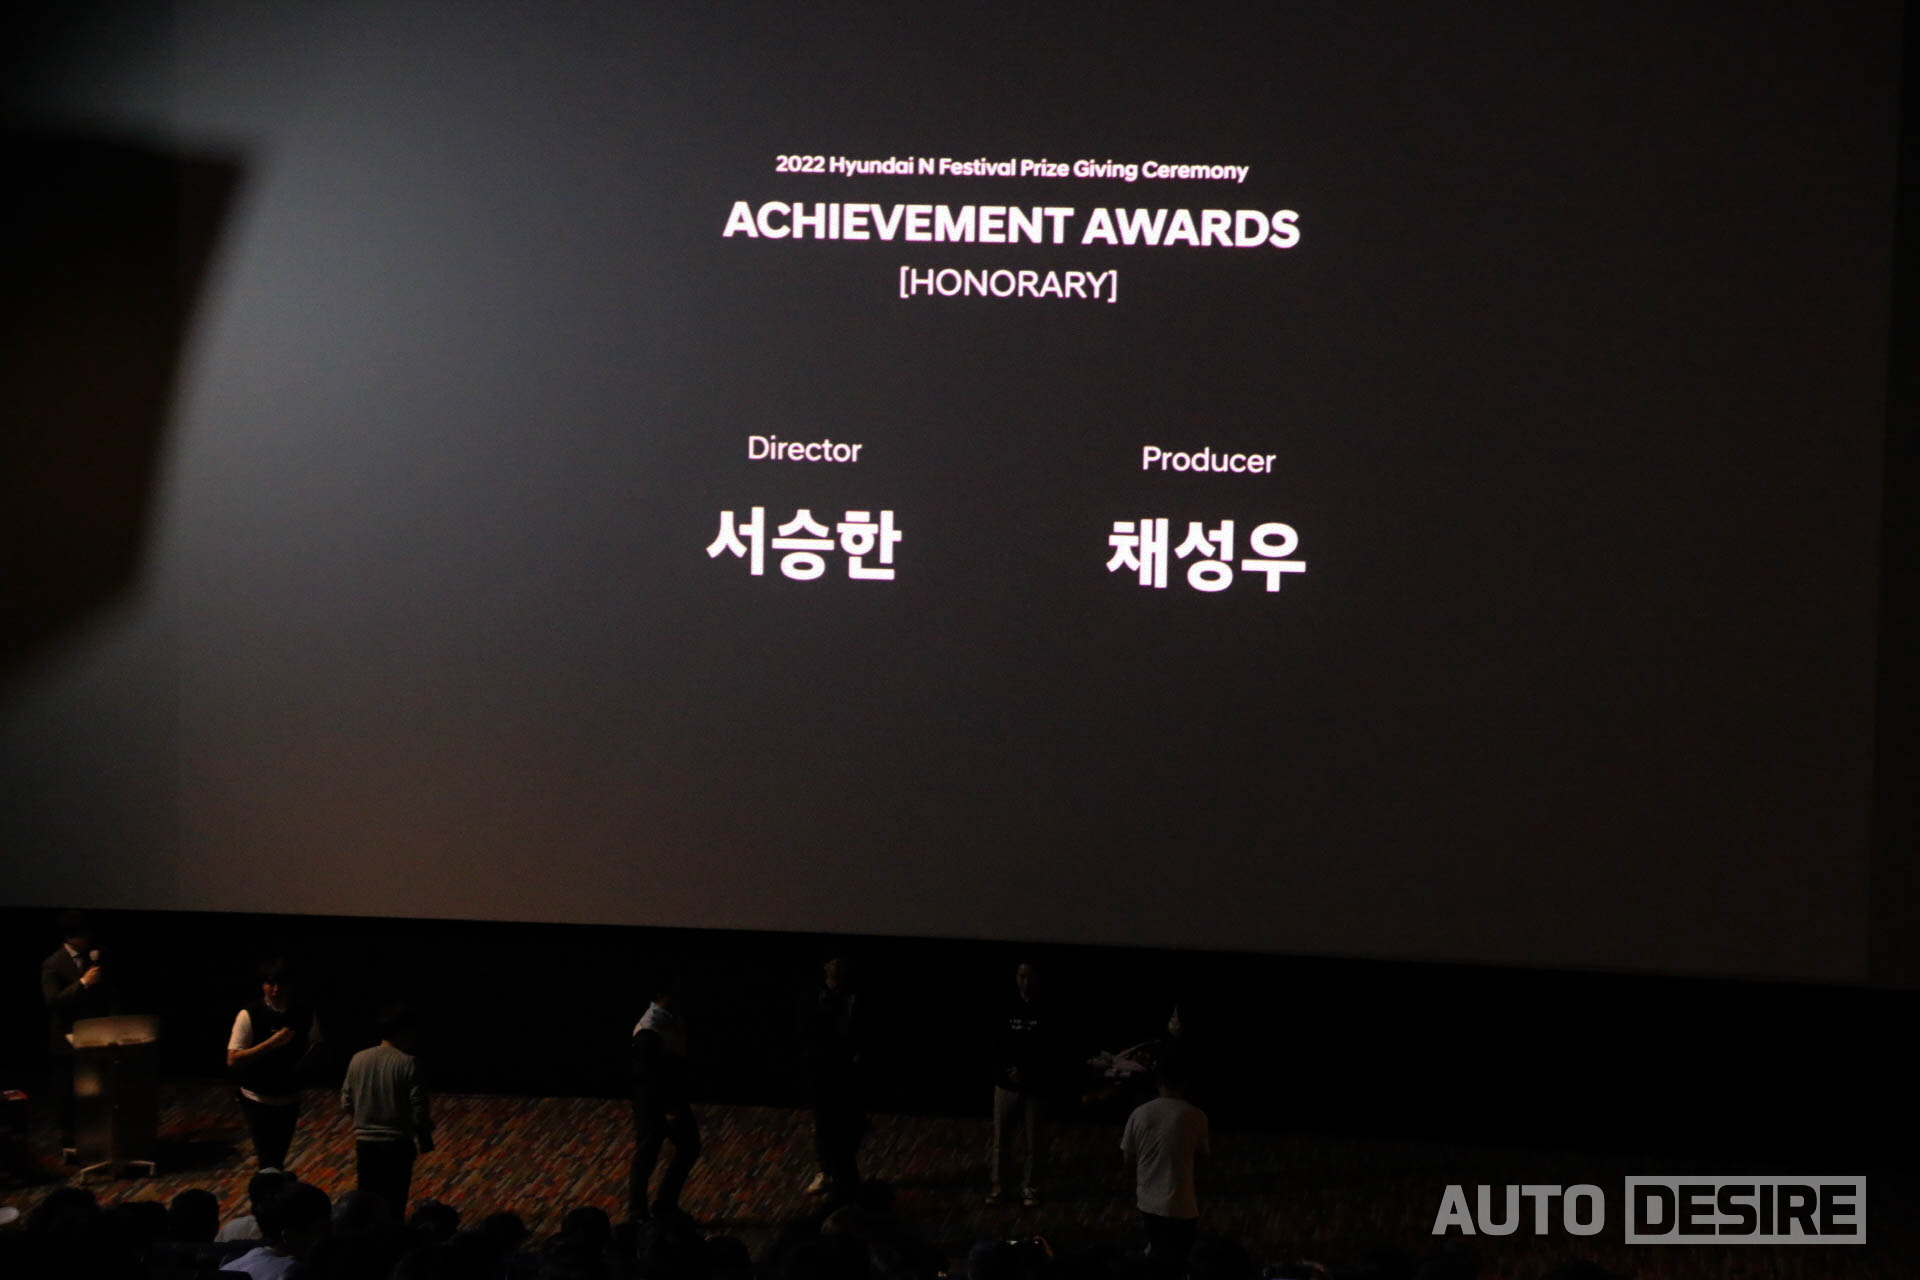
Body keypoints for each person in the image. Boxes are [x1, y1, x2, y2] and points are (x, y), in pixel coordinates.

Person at [227, 958, 322, 1171]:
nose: (276, 989)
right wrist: (271, 1043)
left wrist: (303, 1068)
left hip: (289, 1095)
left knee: (279, 1155)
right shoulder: (250, 1014)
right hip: (257, 1096)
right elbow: (233, 1058)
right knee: (267, 1157)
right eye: (271, 984)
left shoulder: (303, 1012)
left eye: (281, 983)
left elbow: (316, 1044)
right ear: (263, 985)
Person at [341, 1005, 434, 1218]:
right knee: (394, 1202)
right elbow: (419, 1110)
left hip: (365, 1143)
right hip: (397, 1144)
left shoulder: (358, 1059)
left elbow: (346, 1101)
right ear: (403, 1031)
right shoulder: (409, 1063)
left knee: (368, 1203)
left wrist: (363, 1118)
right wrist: (423, 1131)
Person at [1120, 1057, 1208, 1279]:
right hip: (1183, 1203)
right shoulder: (1196, 1116)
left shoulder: (1140, 1114)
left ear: (1158, 1082)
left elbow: (1128, 1158)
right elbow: (1202, 1158)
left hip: (1149, 1203)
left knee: (1155, 1258)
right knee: (1180, 1260)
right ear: (1184, 1084)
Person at [40, 910, 113, 1155]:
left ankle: (97, 1136)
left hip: (94, 1036)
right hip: (66, 1039)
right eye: (84, 936)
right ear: (71, 938)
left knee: (95, 1089)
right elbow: (54, 1001)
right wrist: (83, 984)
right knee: (67, 1091)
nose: (89, 940)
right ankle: (69, 1140)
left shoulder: (97, 955)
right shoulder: (53, 964)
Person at [629, 987, 702, 1220]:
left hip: (670, 1097)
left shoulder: (671, 1019)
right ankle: (638, 1210)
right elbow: (650, 1076)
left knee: (687, 1147)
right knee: (648, 1152)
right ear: (661, 995)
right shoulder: (649, 1031)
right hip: (654, 1101)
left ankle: (664, 1204)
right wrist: (670, 1109)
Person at [988, 962, 1056, 1208]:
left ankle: (1030, 1188)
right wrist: (1008, 1070)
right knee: (1001, 1141)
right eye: (1021, 976)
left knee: (1034, 1141)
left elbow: (1048, 1048)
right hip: (1005, 1084)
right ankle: (1000, 1187)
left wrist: (1027, 1071)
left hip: (1035, 1086)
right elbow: (997, 1042)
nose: (1025, 982)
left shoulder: (1046, 1008)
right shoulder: (1005, 1006)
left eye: (1029, 976)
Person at [801, 956, 866, 1198]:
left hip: (847, 1069)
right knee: (823, 1122)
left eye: (841, 962)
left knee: (848, 1122)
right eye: (832, 962)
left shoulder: (855, 997)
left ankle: (844, 1173)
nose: (837, 967)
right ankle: (826, 1171)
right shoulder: (818, 997)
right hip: (823, 1068)